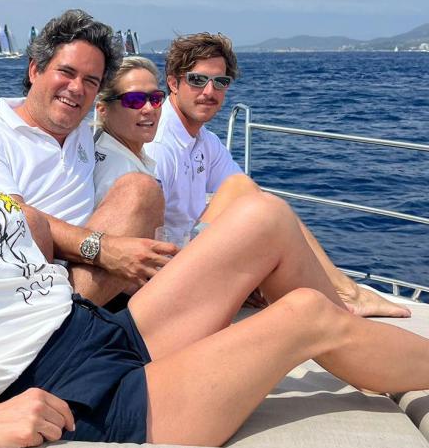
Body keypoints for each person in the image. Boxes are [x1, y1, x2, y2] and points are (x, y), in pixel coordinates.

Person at [0, 0, 429, 448]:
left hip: (97, 331)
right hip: (79, 399)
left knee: (261, 215)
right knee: (305, 315)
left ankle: (360, 336)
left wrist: (92, 247)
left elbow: (14, 227)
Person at [143, 33, 409, 317]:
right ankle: (344, 293)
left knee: (256, 200)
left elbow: (253, 201)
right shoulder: (161, 144)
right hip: (169, 285)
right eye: (197, 80)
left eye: (220, 82)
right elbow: (151, 246)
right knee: (244, 191)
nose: (209, 91)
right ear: (173, 83)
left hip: (189, 262)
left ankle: (339, 291)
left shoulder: (203, 141)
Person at [0, 10, 173, 309]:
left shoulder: (80, 132)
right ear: (34, 71)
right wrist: (103, 250)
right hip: (20, 284)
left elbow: (118, 129)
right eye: (66, 73)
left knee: (142, 189)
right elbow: (12, 219)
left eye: (91, 81)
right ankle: (63, 324)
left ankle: (74, 320)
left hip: (80, 283)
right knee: (27, 220)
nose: (77, 88)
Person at [92, 56, 164, 205]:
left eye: (155, 99)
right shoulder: (120, 175)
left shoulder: (111, 150)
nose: (149, 109)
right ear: (103, 109)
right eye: (134, 100)